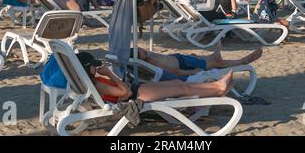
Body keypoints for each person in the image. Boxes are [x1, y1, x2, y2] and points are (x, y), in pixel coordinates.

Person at [80, 52, 235, 103]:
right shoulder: (97, 85)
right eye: (94, 65)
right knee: (181, 88)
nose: (97, 67)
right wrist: (110, 74)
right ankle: (218, 89)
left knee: (176, 82)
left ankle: (216, 87)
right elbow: (125, 93)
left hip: (138, 90)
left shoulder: (93, 81)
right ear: (88, 68)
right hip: (135, 96)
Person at [136, 48, 263, 81]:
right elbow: (174, 72)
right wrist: (191, 72)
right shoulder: (148, 61)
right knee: (215, 63)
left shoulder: (145, 57)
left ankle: (211, 57)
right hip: (183, 65)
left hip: (180, 60)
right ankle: (242, 61)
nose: (142, 49)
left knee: (207, 59)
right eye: (140, 51)